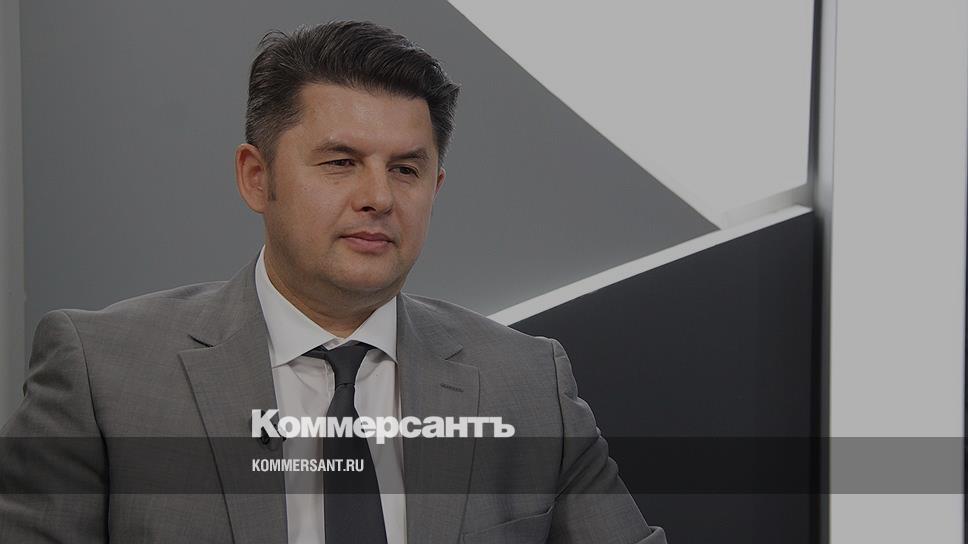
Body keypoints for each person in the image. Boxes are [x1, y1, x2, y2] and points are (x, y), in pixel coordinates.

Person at [0, 20, 667, 543]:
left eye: (405, 170)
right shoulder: (104, 375)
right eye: (341, 162)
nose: (378, 197)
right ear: (256, 177)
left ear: (435, 188)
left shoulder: (527, 384)